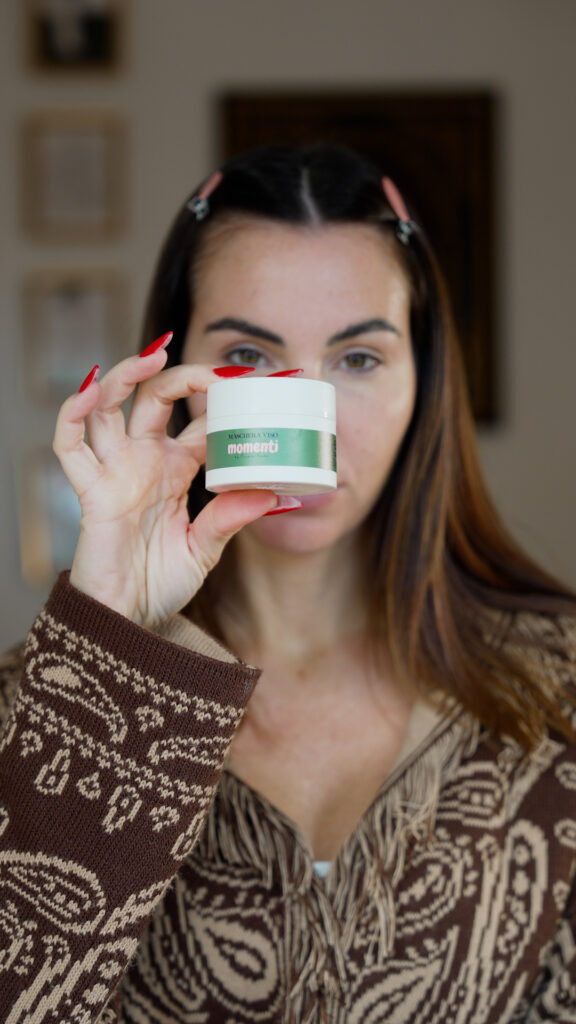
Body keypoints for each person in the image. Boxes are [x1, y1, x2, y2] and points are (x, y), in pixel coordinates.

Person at [1, 143, 576, 1024]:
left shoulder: (559, 690)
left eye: (358, 359)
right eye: (248, 355)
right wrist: (112, 647)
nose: (308, 417)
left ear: (424, 382)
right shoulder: (33, 706)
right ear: (178, 378)